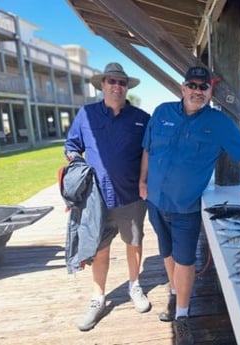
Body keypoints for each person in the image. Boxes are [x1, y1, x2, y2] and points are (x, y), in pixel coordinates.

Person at [139, 66, 240, 345]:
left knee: (185, 260)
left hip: (185, 207)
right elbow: (148, 149)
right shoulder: (162, 112)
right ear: (182, 88)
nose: (197, 90)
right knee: (166, 252)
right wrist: (142, 182)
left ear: (209, 92)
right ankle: (173, 295)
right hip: (155, 201)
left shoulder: (219, 123)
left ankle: (182, 315)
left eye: (203, 87)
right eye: (191, 85)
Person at [64, 62, 151, 331]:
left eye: (121, 83)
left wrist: (146, 180)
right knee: (99, 247)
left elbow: (151, 152)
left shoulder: (141, 118)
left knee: (134, 243)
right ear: (102, 85)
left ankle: (134, 286)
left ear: (127, 88)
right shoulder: (87, 114)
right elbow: (71, 147)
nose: (117, 86)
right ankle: (98, 298)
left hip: (131, 196)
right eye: (111, 81)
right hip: (96, 197)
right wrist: (77, 172)